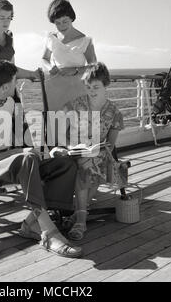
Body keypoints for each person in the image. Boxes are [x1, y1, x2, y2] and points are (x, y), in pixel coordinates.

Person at [0, 60, 82, 258]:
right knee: (26, 160)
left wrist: (48, 152)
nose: (17, 84)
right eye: (14, 81)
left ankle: (31, 222)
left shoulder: (10, 102)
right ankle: (48, 233)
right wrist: (18, 154)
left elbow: (23, 140)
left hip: (15, 159)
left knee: (65, 162)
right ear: (5, 88)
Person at [52, 62, 124, 240]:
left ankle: (79, 217)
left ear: (105, 85)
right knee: (87, 163)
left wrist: (96, 150)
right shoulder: (74, 105)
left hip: (98, 153)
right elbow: (60, 133)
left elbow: (111, 145)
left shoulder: (115, 112)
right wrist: (70, 147)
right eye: (89, 87)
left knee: (93, 162)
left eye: (96, 87)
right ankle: (81, 220)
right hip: (73, 151)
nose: (91, 91)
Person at [42, 0, 97, 76]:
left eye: (65, 21)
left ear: (71, 18)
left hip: (79, 86)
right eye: (57, 23)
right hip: (55, 85)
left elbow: (94, 67)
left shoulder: (86, 40)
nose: (62, 26)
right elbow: (44, 59)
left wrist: (75, 70)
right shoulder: (51, 38)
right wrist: (49, 67)